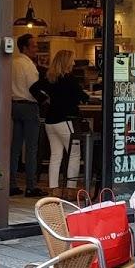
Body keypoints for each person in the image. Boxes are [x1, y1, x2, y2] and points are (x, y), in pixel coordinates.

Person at [38, 49, 88, 191]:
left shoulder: (50, 78)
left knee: (55, 156)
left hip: (50, 122)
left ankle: (53, 189)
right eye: (72, 59)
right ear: (66, 62)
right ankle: (71, 189)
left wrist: (45, 100)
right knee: (74, 154)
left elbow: (33, 88)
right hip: (65, 121)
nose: (73, 62)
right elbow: (83, 97)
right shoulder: (70, 79)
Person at [10, 33, 46, 197]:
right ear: (25, 47)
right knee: (31, 148)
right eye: (34, 46)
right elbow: (34, 88)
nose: (36, 49)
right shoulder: (28, 65)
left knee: (15, 147)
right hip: (29, 105)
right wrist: (46, 99)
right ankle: (31, 185)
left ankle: (11, 183)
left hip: (14, 104)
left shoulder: (13, 63)